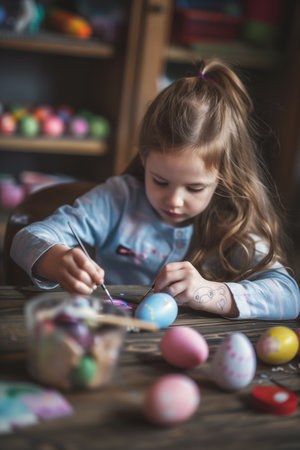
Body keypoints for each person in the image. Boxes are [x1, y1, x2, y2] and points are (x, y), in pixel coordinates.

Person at [10, 59, 300, 320]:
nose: (174, 200)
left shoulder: (231, 219)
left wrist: (212, 293)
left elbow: (288, 296)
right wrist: (56, 259)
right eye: (160, 181)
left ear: (223, 176)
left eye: (195, 187)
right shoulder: (117, 200)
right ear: (144, 157)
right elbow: (27, 238)